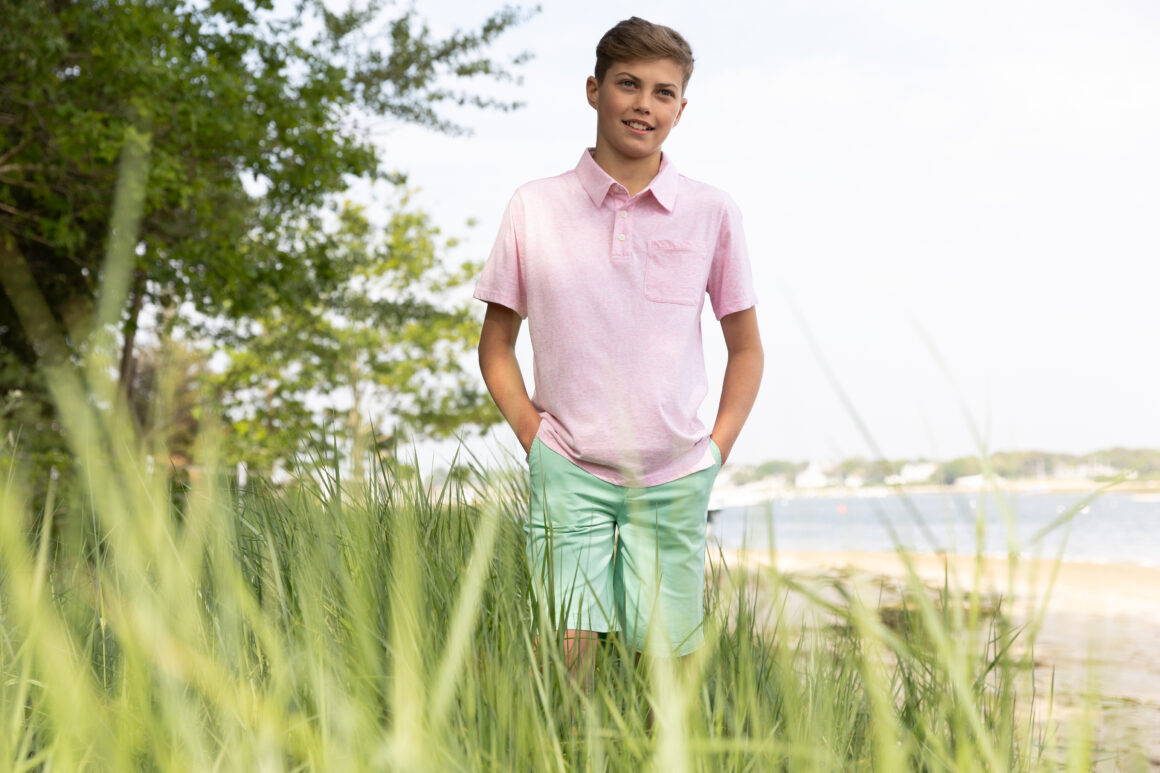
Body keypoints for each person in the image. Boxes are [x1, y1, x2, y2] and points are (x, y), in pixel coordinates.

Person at [475, 16, 763, 688]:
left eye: (664, 93)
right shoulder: (535, 206)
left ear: (681, 109)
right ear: (593, 90)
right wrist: (532, 435)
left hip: (674, 475)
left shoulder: (711, 211)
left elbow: (746, 349)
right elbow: (496, 344)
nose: (644, 104)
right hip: (569, 470)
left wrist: (713, 450)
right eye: (628, 84)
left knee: (669, 673)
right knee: (567, 664)